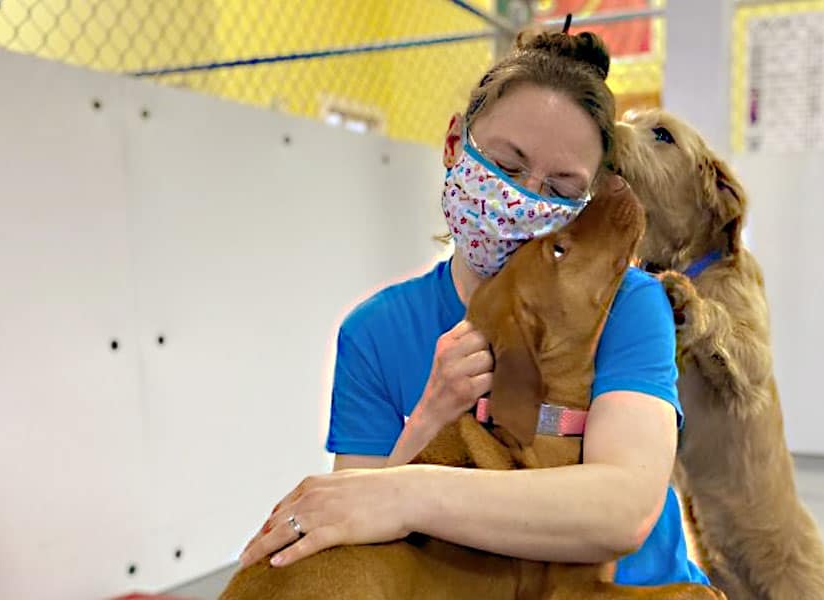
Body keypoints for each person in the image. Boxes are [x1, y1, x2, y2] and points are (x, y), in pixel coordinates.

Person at [238, 26, 709, 587]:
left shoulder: (628, 303)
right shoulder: (375, 331)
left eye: (560, 189)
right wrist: (433, 413)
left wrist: (410, 494)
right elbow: (354, 516)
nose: (526, 198)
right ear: (454, 145)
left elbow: (624, 508)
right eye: (507, 167)